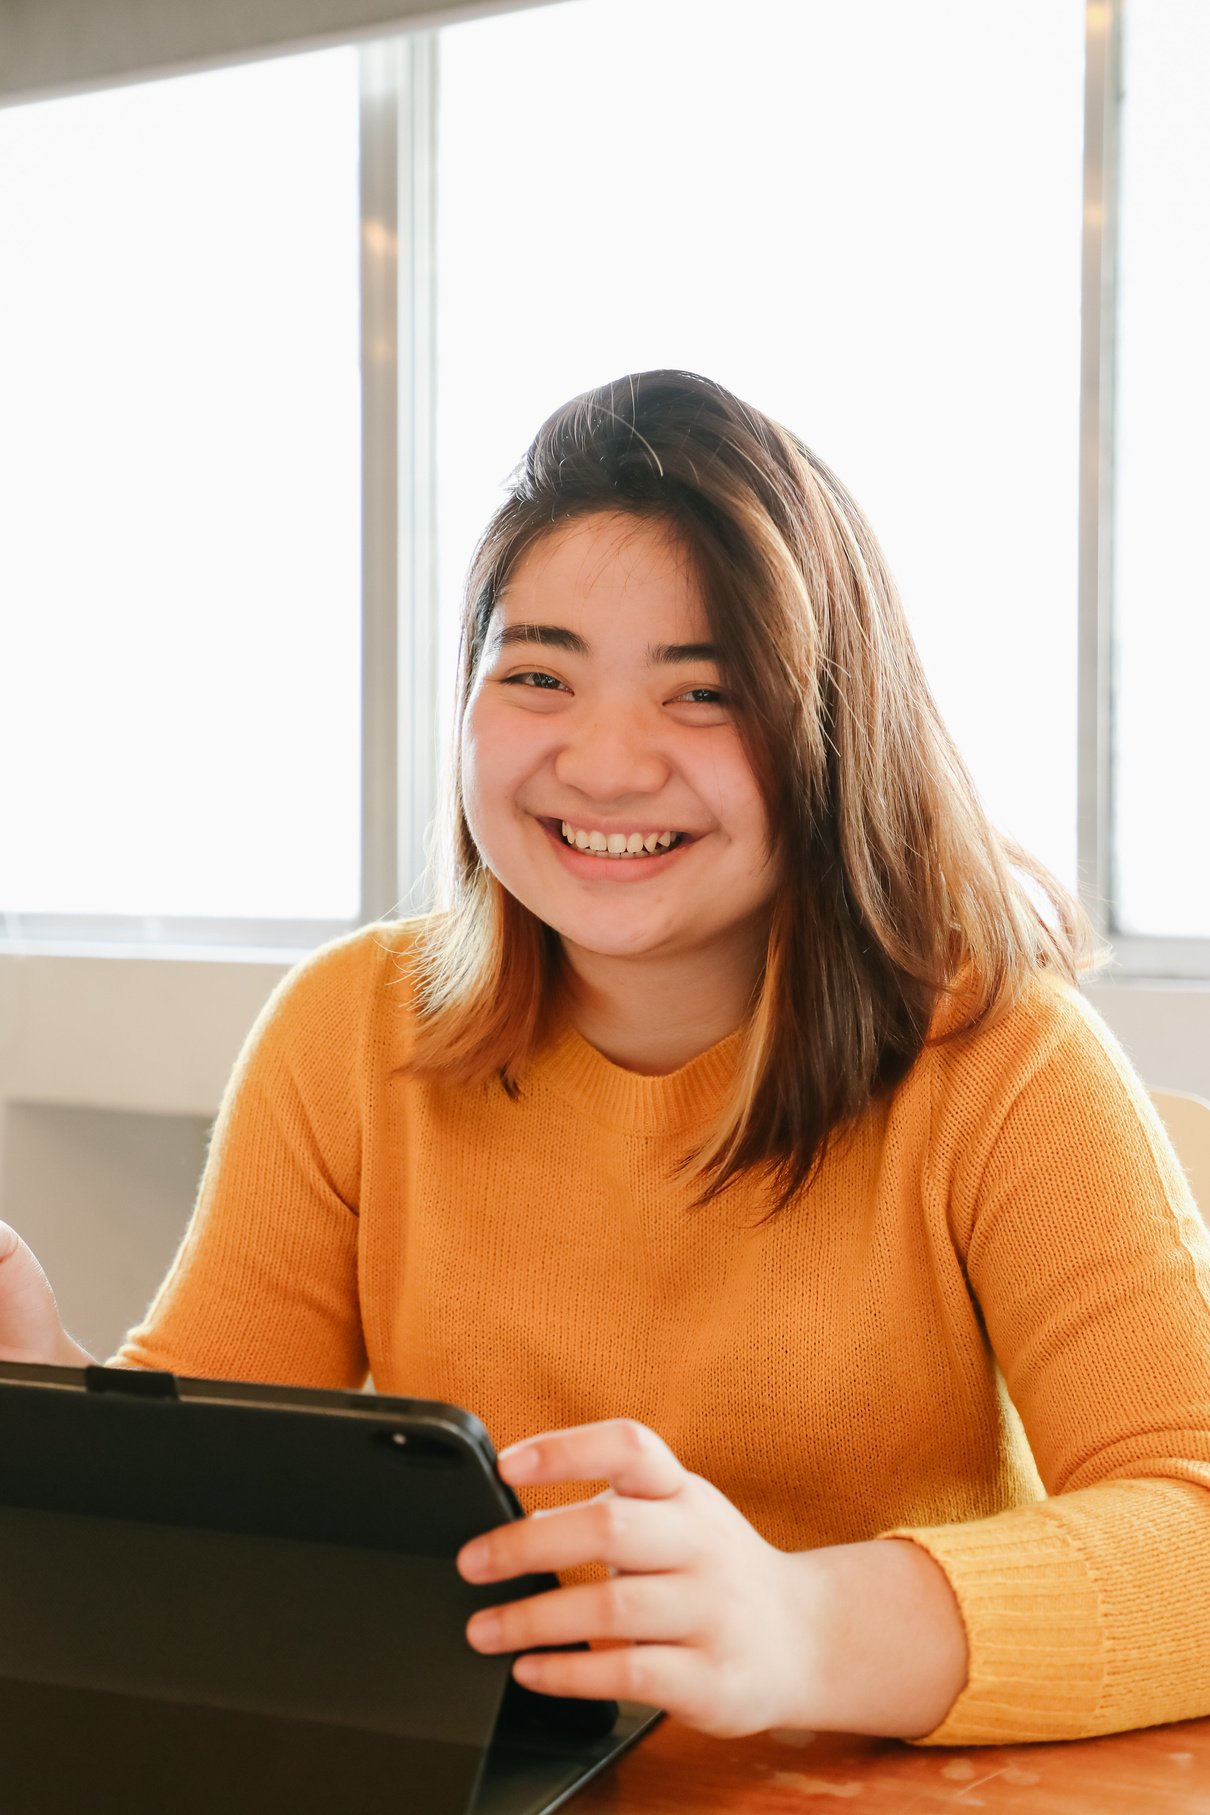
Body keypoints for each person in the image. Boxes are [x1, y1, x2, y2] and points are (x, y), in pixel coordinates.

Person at [3, 369, 1209, 1748]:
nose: (606, 761)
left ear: (832, 733)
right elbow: (219, 1524)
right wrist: (46, 1415)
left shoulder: (1001, 1059)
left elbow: (1194, 1521)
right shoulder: (347, 1033)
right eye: (537, 675)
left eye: (703, 694)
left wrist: (800, 1624)